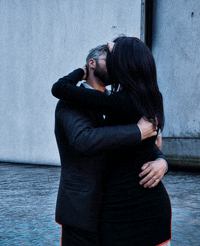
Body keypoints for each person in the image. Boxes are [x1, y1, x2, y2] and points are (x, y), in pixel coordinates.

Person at [52, 42, 170, 245]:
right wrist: (137, 131)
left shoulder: (119, 101)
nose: (116, 64)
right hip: (82, 211)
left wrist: (162, 162)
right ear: (92, 63)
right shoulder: (70, 102)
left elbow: (144, 146)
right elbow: (84, 139)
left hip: (119, 210)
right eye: (111, 59)